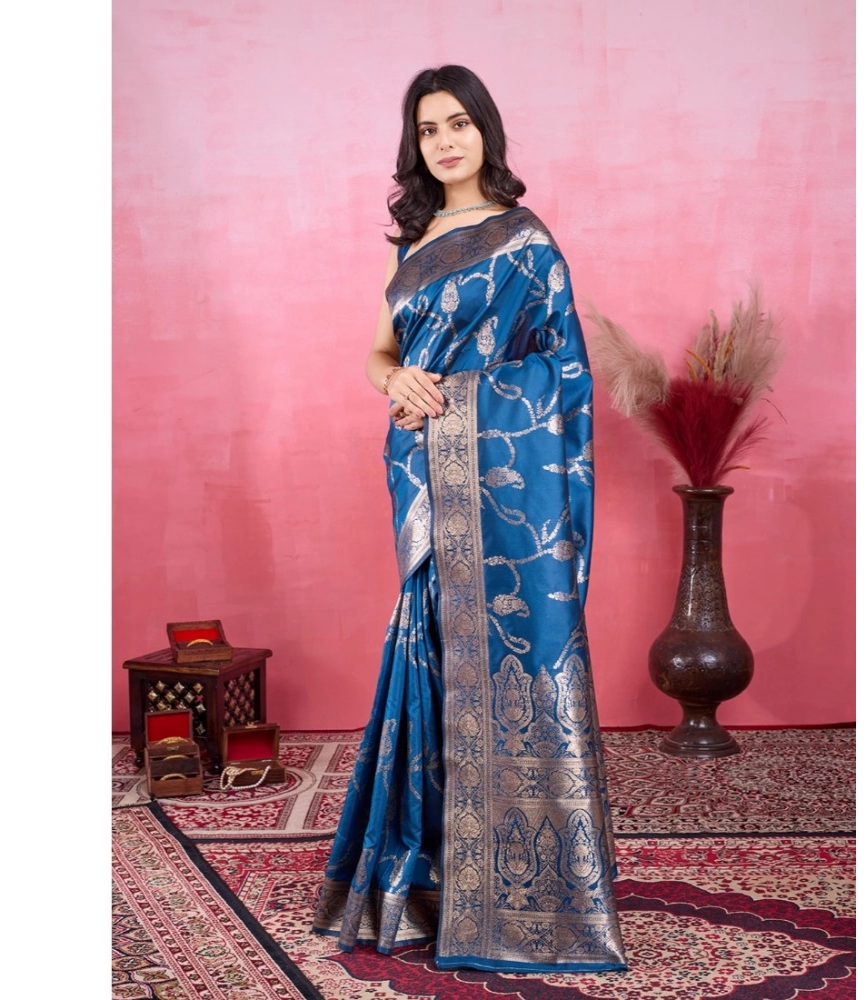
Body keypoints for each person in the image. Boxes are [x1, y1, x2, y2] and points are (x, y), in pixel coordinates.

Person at [312, 64, 627, 974]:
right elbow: (379, 355)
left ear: (486, 129)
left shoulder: (525, 241)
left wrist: (459, 396)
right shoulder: (410, 243)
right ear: (414, 145)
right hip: (425, 474)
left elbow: (564, 374)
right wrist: (400, 380)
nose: (445, 142)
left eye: (458, 123)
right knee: (432, 650)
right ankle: (427, 880)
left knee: (506, 658)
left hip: (503, 485)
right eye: (428, 129)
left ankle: (524, 890)